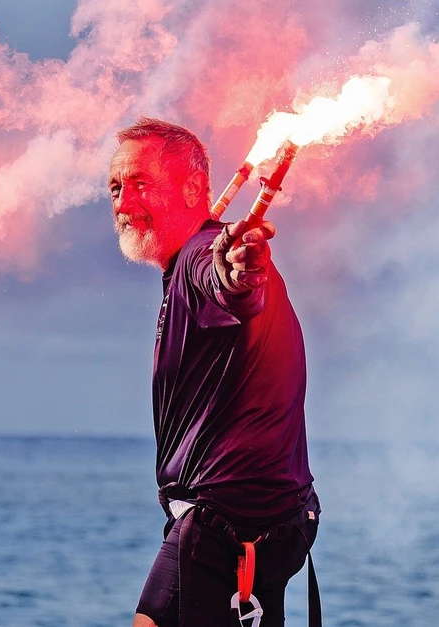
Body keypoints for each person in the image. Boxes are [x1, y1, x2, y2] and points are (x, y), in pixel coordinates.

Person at [107, 118, 320, 627]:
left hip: (224, 525)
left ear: (192, 189)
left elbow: (227, 278)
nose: (122, 201)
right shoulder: (183, 265)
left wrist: (238, 268)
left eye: (139, 182)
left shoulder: (201, 256)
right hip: (275, 523)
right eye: (115, 187)